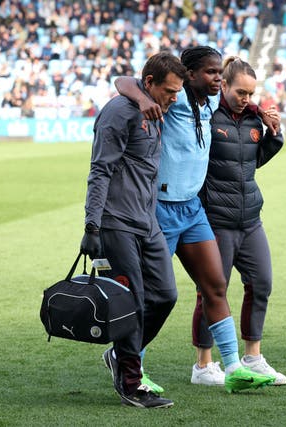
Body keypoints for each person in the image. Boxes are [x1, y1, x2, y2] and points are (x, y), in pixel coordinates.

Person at [115, 46, 276, 393]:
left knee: (215, 285)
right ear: (189, 75)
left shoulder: (212, 103)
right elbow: (123, 80)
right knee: (153, 295)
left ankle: (232, 366)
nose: (218, 78)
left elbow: (241, 100)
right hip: (159, 208)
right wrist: (143, 100)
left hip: (192, 209)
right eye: (211, 72)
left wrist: (260, 111)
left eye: (220, 72)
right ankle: (130, 362)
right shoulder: (175, 101)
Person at [80, 52, 186, 408]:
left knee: (165, 296)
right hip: (116, 222)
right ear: (150, 83)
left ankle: (122, 355)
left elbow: (129, 83)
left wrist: (145, 98)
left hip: (147, 221)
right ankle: (131, 382)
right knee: (132, 302)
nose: (174, 97)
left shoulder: (155, 108)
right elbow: (100, 170)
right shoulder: (117, 113)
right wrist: (92, 225)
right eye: (170, 91)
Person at [197, 56, 286, 385]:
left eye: (251, 93)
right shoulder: (207, 116)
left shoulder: (253, 121)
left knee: (261, 283)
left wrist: (273, 134)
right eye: (240, 92)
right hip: (216, 220)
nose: (245, 98)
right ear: (223, 85)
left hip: (250, 218)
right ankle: (204, 365)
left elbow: (252, 162)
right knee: (211, 290)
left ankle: (254, 356)